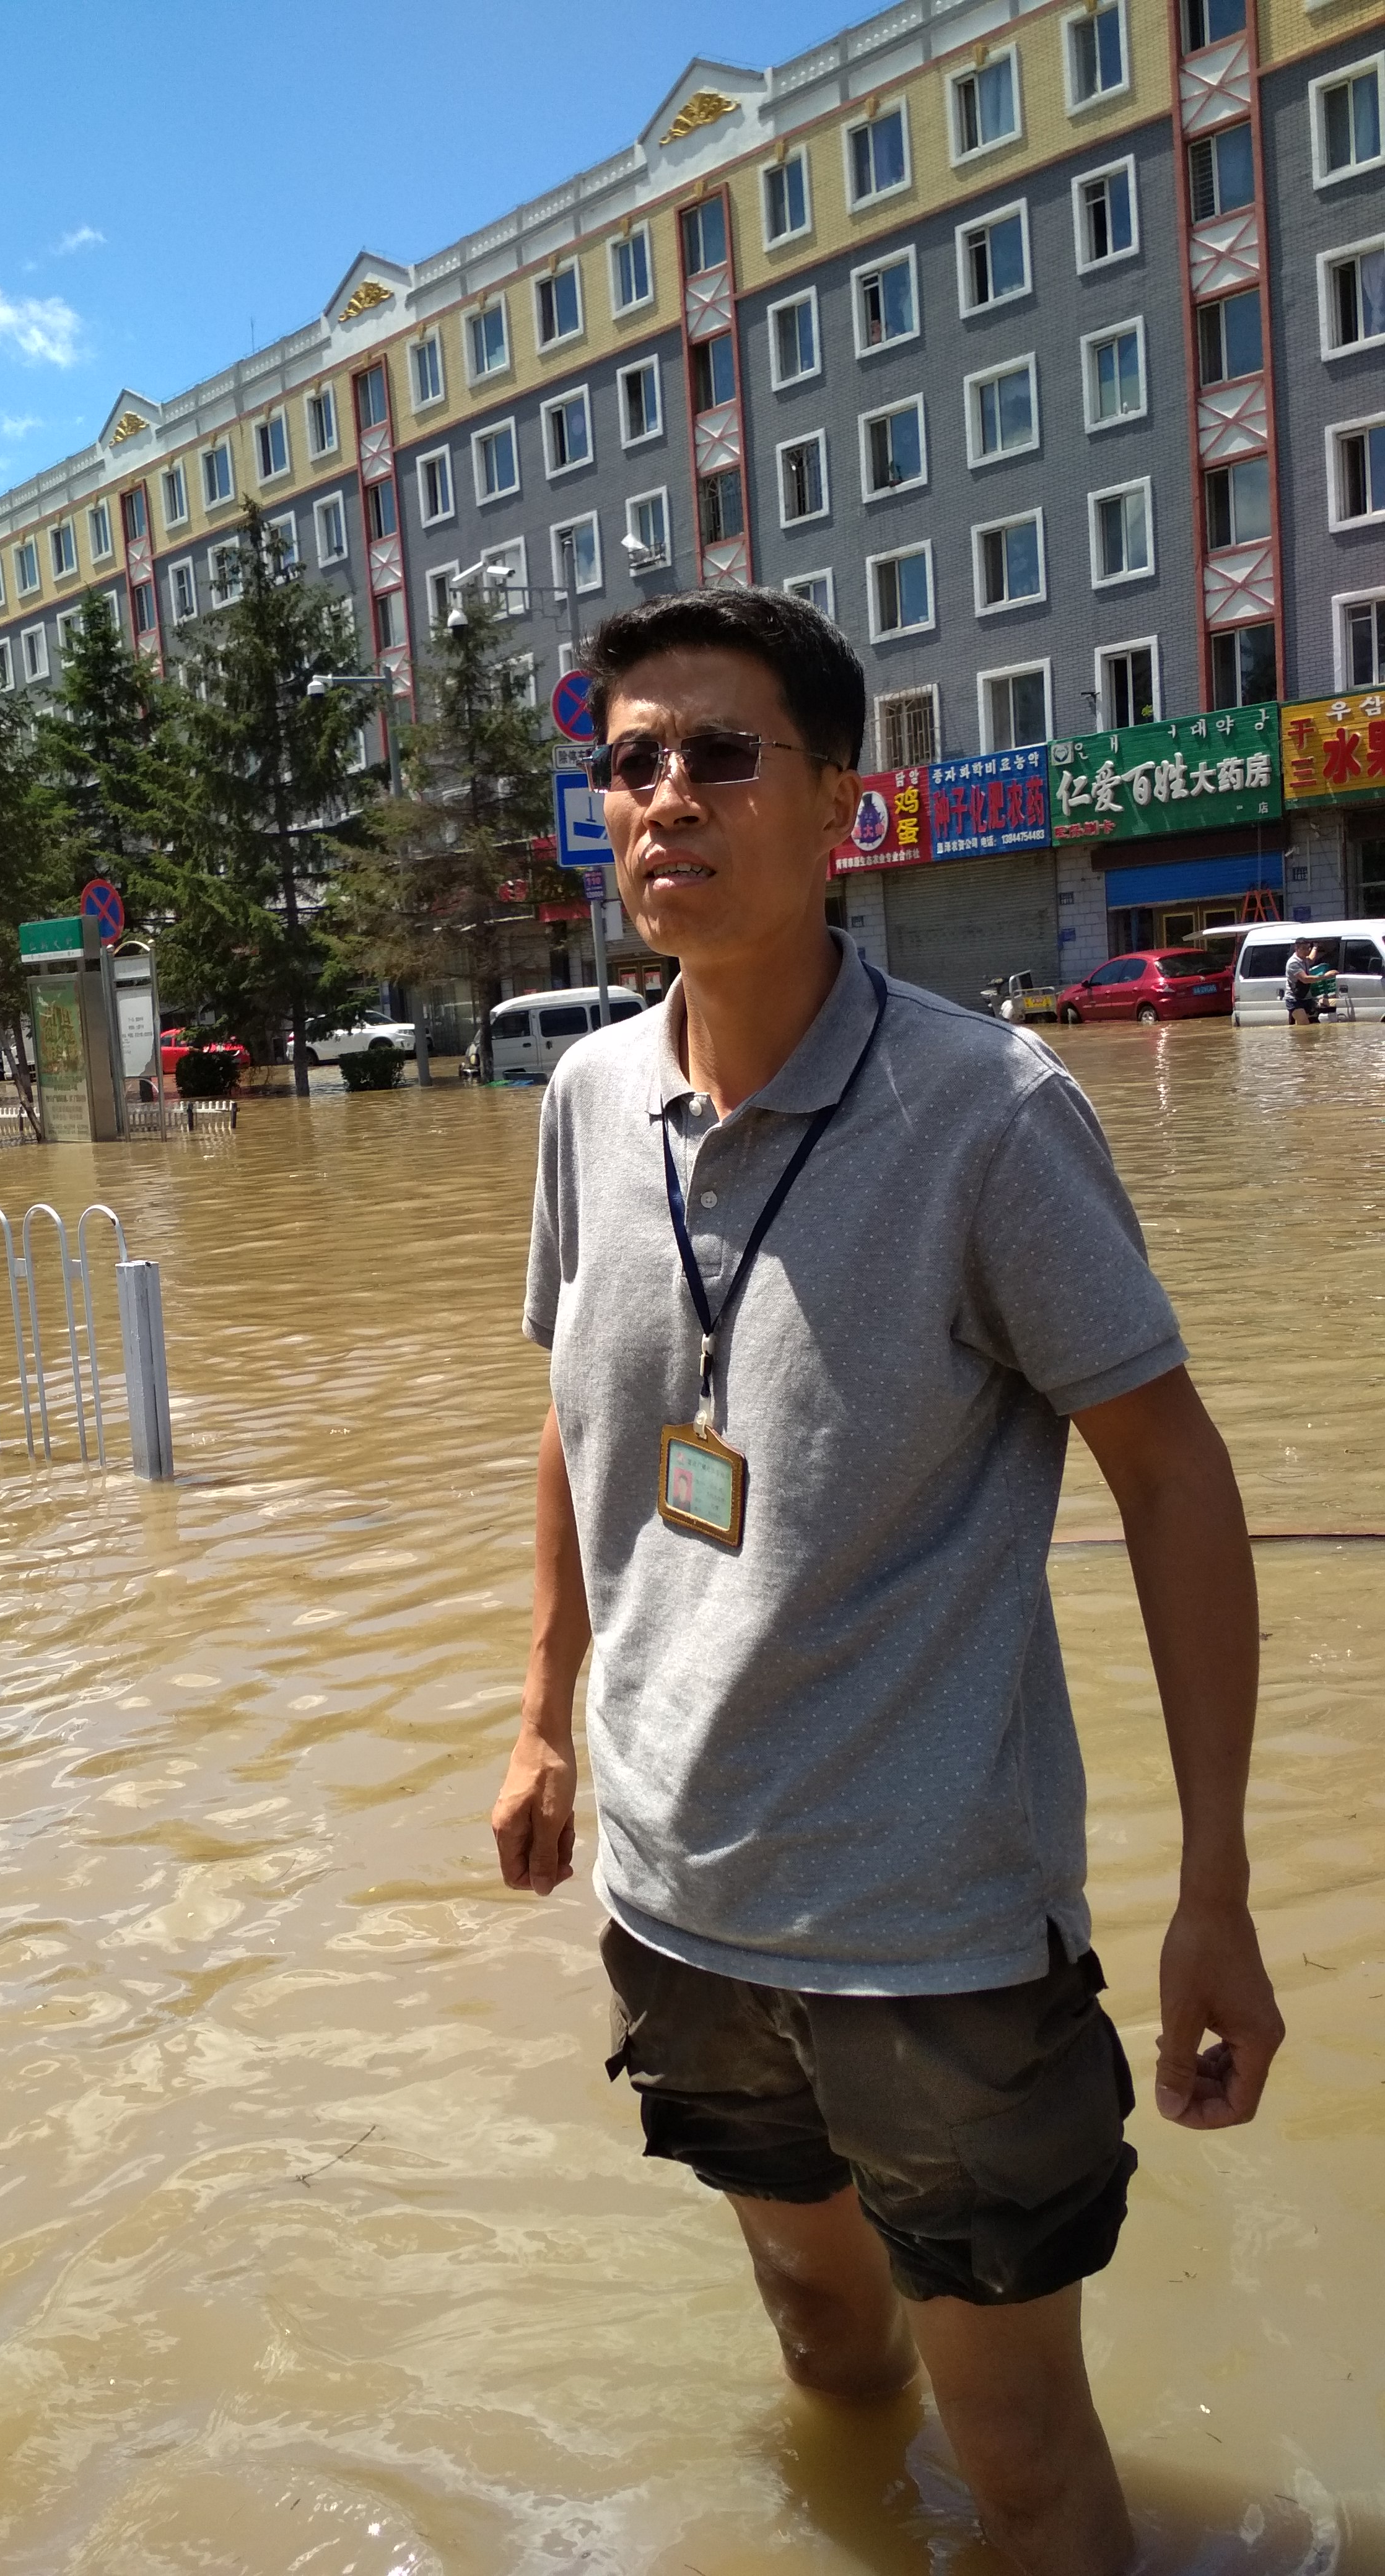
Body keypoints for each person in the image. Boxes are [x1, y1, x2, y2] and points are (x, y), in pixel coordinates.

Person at [490, 589, 1283, 2576]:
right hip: (676, 1900)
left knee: (1019, 2454)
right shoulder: (586, 1100)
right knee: (823, 2339)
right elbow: (572, 1418)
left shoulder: (985, 1114)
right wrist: (537, 1721)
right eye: (630, 764)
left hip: (935, 1937)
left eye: (721, 755)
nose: (666, 800)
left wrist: (1212, 1883)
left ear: (841, 805)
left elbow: (1172, 1474)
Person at [1284, 934, 1333, 1022]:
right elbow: (1305, 979)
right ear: (1297, 949)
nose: (1307, 951)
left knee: (1305, 1025)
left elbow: (1311, 959)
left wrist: (1315, 947)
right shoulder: (1293, 963)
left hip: (1306, 997)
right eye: (1304, 949)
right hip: (1294, 999)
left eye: (1308, 948)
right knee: (1304, 1024)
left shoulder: (1304, 959)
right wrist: (1325, 976)